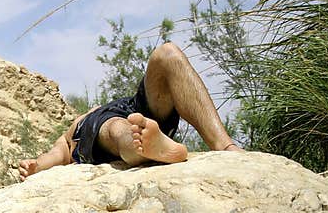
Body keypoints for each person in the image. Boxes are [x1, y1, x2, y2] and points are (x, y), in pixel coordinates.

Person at [18, 42, 242, 181]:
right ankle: (147, 147)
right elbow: (56, 156)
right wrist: (37, 166)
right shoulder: (69, 140)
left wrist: (36, 165)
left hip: (131, 108)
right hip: (99, 126)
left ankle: (223, 144)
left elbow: (56, 154)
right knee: (117, 128)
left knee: (167, 53)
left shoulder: (74, 130)